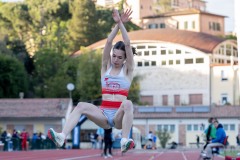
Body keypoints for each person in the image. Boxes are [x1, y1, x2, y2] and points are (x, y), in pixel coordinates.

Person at [47, 8, 137, 153]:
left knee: (128, 103)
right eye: (114, 56)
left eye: (120, 57)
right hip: (103, 114)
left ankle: (124, 140)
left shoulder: (127, 70)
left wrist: (121, 24)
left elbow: (127, 43)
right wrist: (117, 23)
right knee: (81, 105)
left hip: (118, 116)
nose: (115, 59)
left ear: (126, 58)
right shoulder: (105, 67)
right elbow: (108, 42)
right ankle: (61, 136)